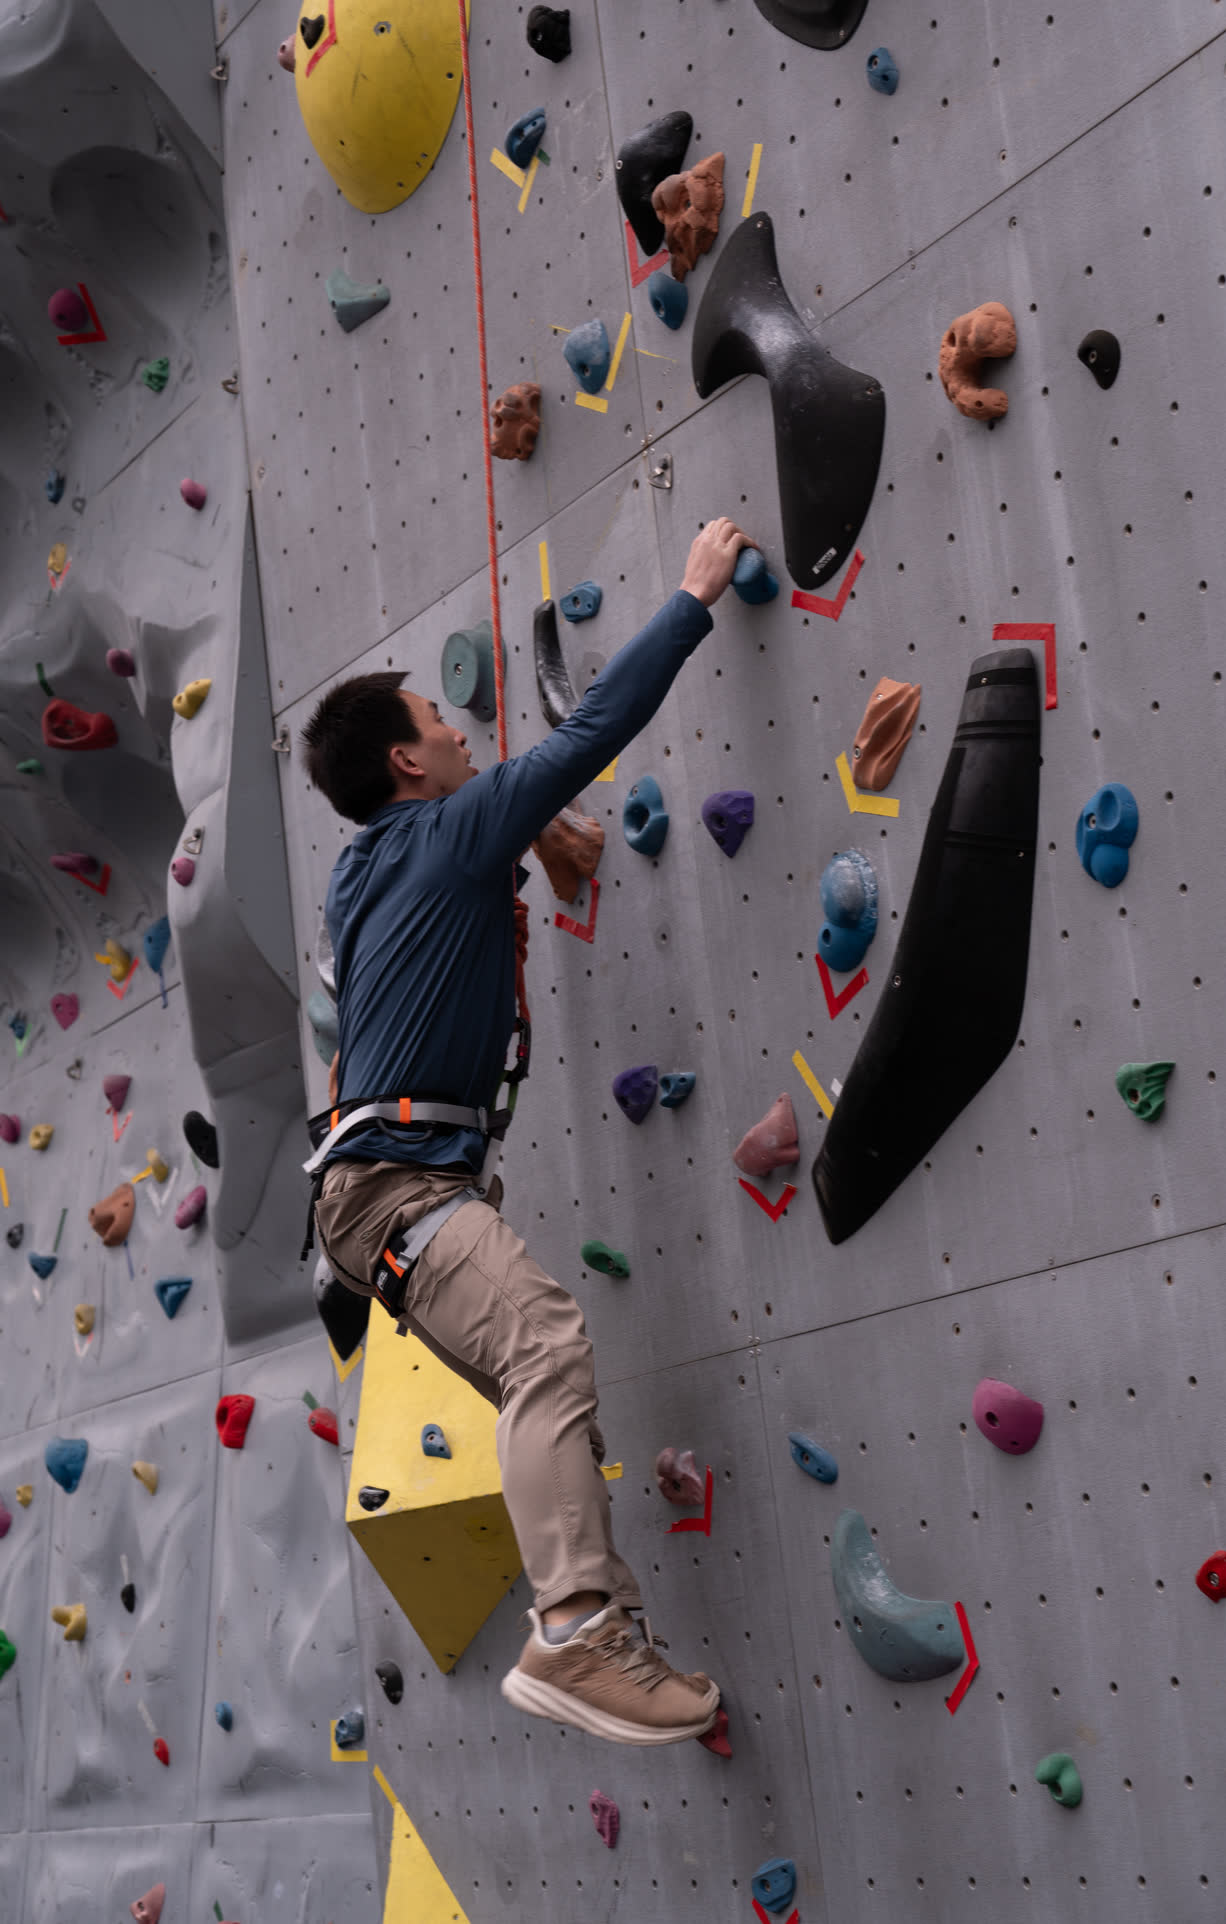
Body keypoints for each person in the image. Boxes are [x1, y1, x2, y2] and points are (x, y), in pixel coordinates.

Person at [302, 517, 750, 1746]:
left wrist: (537, 846)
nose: (459, 731)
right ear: (406, 760)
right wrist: (692, 595)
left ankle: (605, 1631)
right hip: (400, 1194)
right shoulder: (448, 832)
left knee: (543, 1391)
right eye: (436, 724)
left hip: (372, 1199)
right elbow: (585, 733)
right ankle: (574, 1631)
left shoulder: (365, 867)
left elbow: (449, 905)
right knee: (546, 1344)